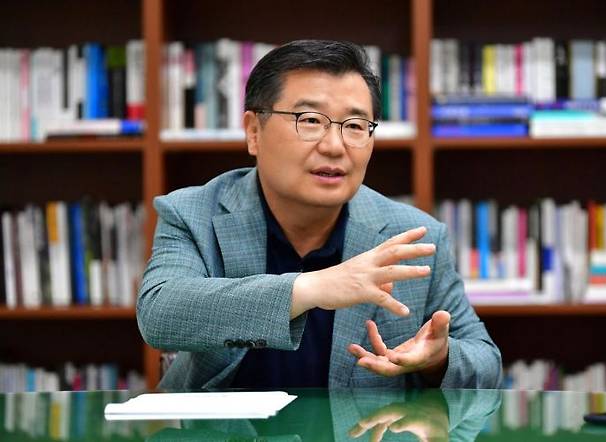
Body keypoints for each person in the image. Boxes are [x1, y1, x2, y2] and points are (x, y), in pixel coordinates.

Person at [137, 39, 502, 390]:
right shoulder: (193, 214)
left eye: (355, 126)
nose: (334, 146)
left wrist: (439, 360)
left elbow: (485, 363)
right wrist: (311, 288)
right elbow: (160, 313)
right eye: (310, 120)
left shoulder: (413, 237)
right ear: (254, 132)